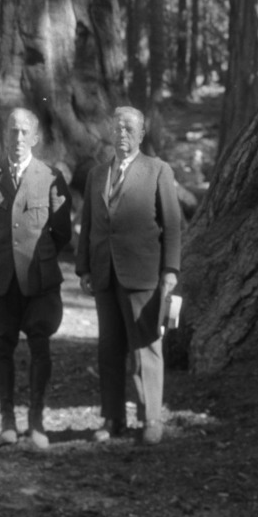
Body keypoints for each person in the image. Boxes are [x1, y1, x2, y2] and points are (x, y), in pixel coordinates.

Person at [76, 104, 182, 444]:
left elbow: (173, 225)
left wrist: (170, 269)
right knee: (109, 348)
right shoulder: (96, 175)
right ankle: (112, 417)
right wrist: (84, 268)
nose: (122, 134)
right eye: (118, 128)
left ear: (141, 134)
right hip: (105, 274)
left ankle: (151, 417)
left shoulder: (157, 170)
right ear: (110, 131)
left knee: (147, 346)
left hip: (143, 273)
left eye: (129, 129)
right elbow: (90, 225)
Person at [0, 105, 71, 450]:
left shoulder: (52, 177)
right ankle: (7, 419)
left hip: (38, 279)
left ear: (37, 138)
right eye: (12, 131)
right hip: (0, 278)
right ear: (4, 135)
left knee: (41, 347)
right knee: (2, 347)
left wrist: (35, 257)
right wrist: (1, 257)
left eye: (25, 132)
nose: (18, 138)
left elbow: (60, 233)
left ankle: (37, 420)